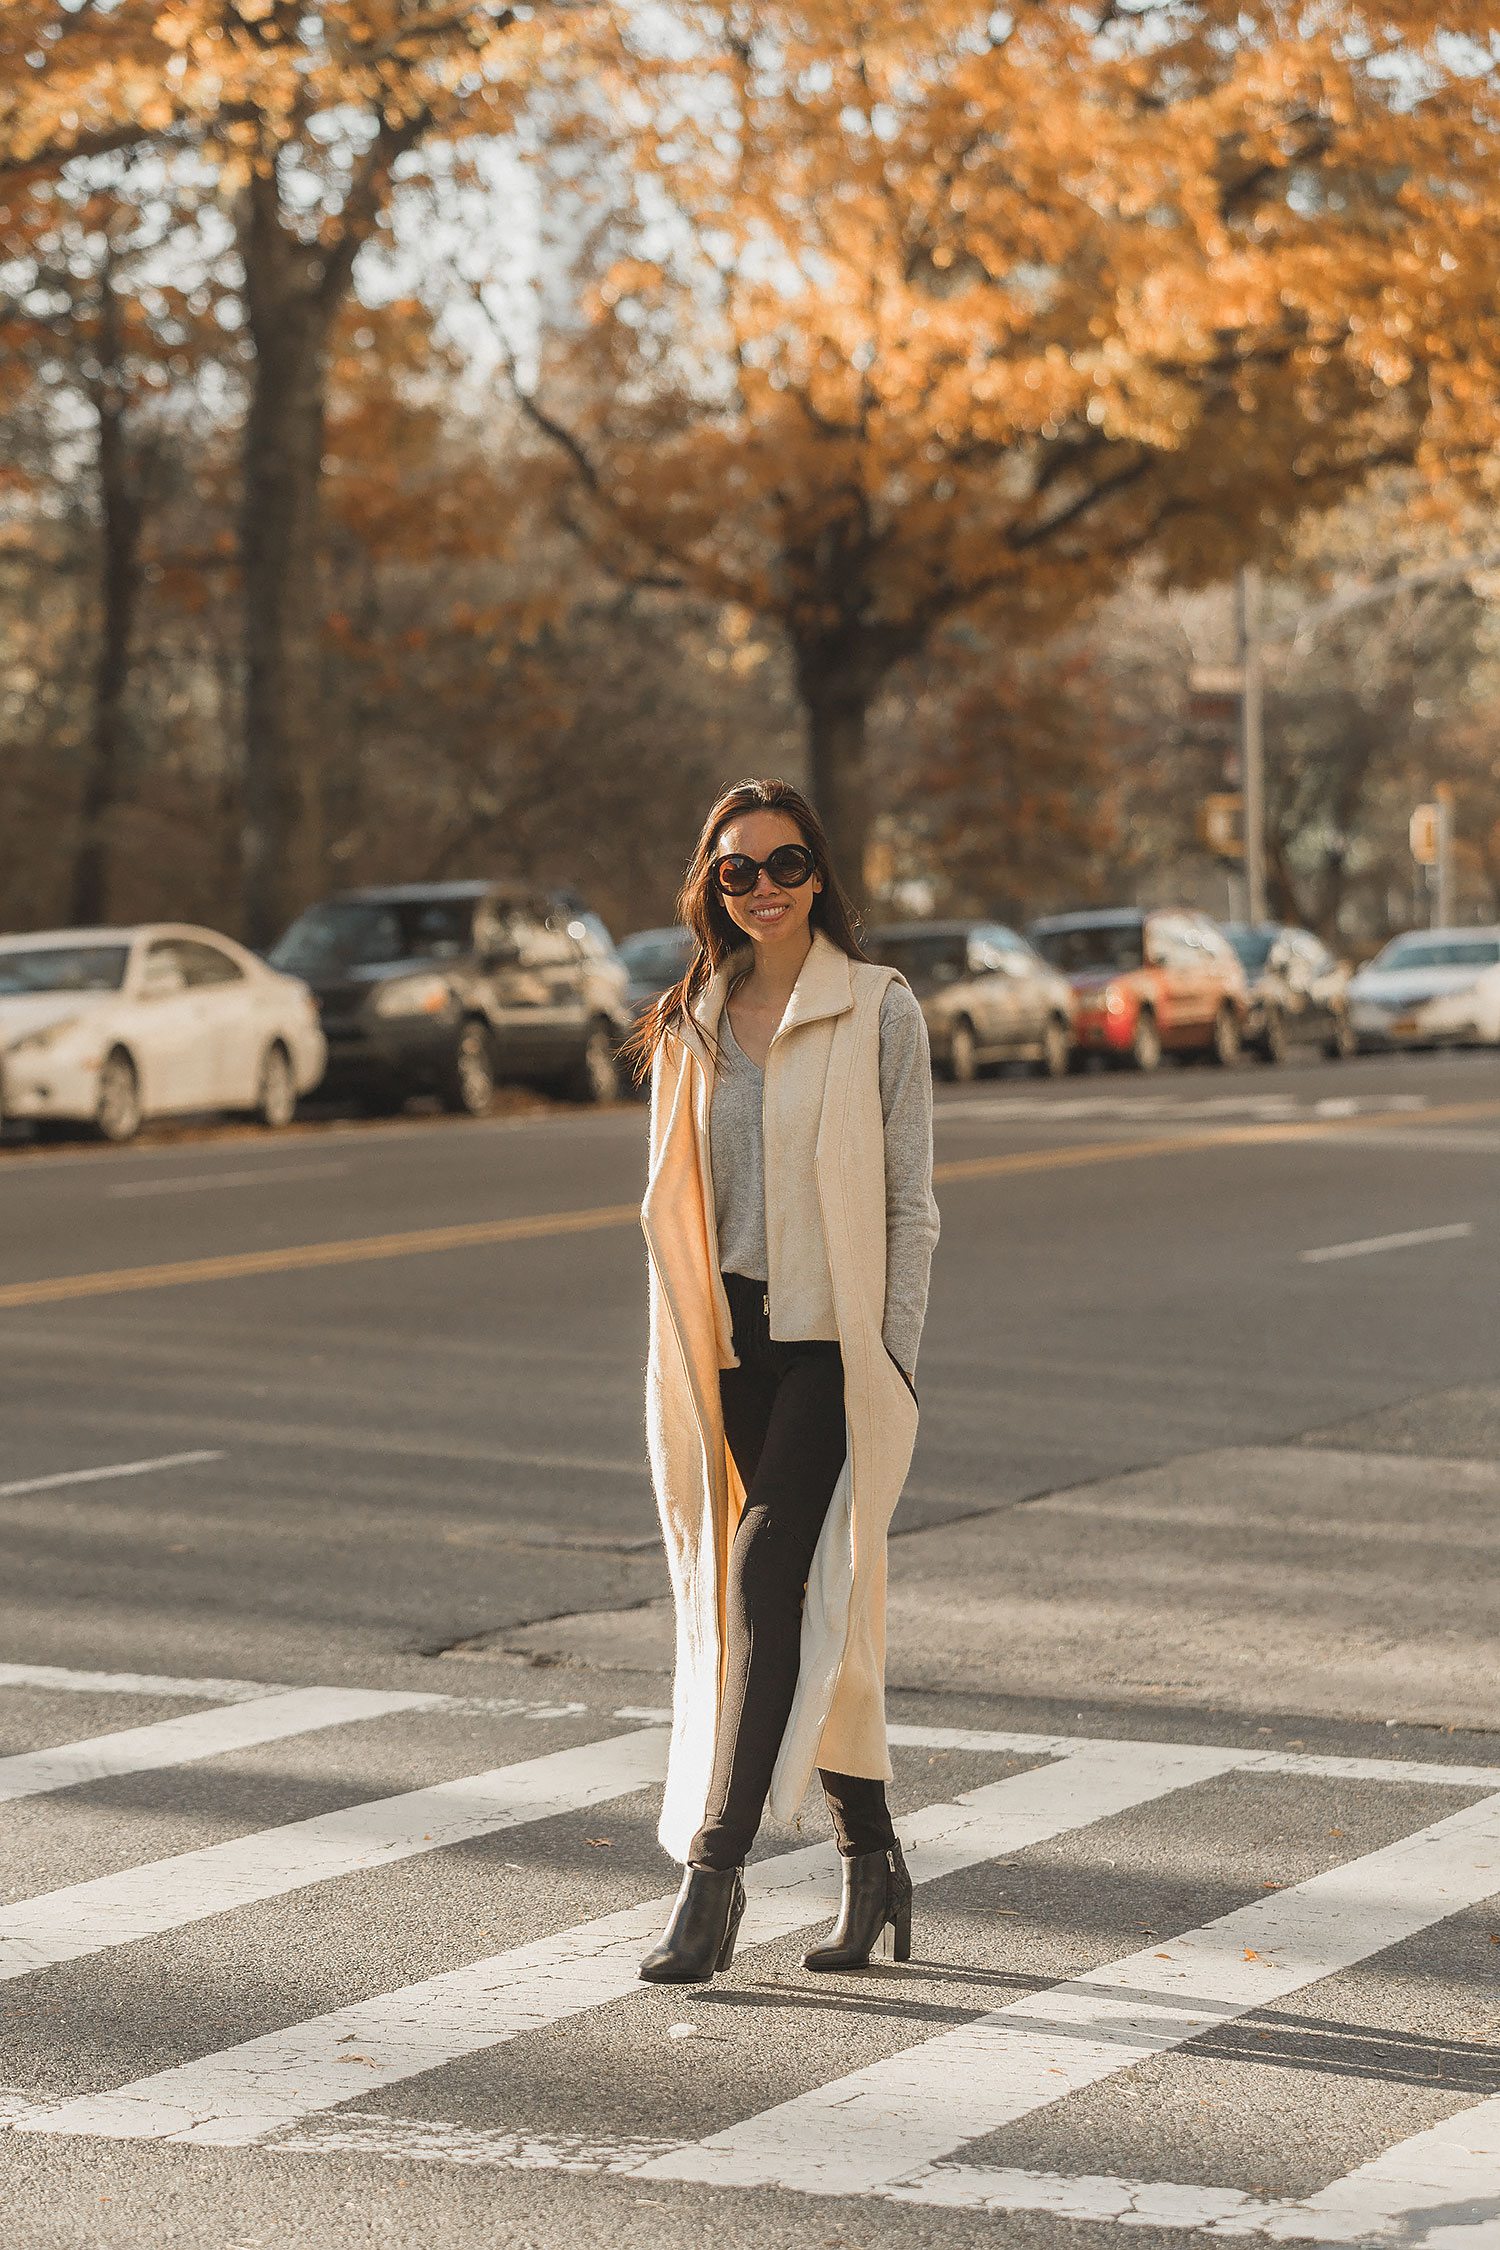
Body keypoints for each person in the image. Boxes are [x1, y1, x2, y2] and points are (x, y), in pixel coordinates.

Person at [622, 777, 940, 1983]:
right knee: (805, 1606)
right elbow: (672, 1213)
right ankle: (874, 1861)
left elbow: (913, 1207)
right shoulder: (691, 1019)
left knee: (765, 1573)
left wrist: (892, 1357)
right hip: (731, 1345)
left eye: (786, 864)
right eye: (736, 869)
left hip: (836, 1344)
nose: (762, 887)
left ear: (823, 877)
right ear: (711, 885)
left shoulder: (877, 1011)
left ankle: (713, 1880)